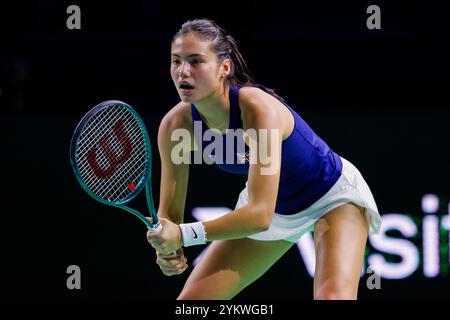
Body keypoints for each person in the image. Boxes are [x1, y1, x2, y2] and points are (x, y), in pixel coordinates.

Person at [146, 18, 381, 300]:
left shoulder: (257, 109)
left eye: (195, 61)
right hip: (274, 208)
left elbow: (258, 216)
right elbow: (170, 214)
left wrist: (183, 235)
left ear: (224, 67)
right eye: (176, 61)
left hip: (330, 197)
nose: (183, 72)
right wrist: (167, 248)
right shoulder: (176, 125)